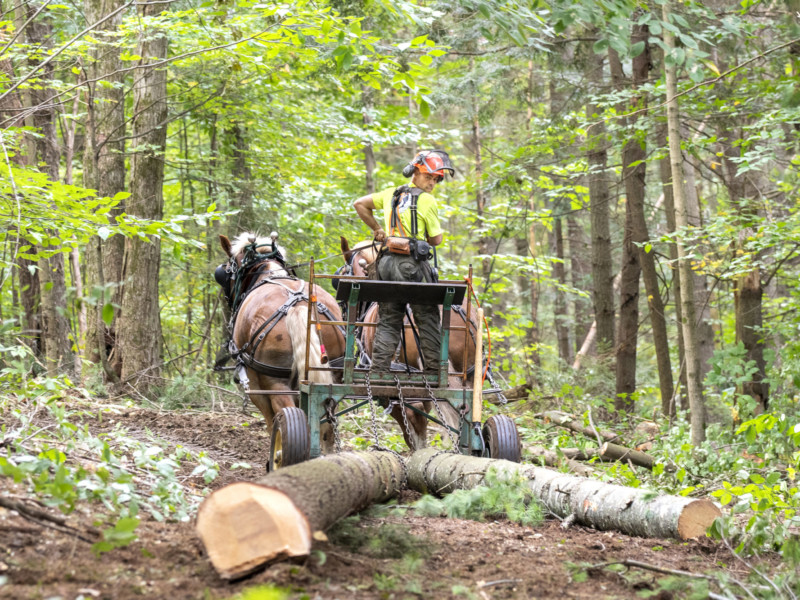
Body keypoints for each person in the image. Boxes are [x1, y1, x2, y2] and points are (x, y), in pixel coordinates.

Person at [353, 149, 455, 375]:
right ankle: (433, 372)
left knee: (389, 317)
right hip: (411, 265)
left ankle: (379, 370)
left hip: (385, 263)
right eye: (428, 177)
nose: (432, 183)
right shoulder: (427, 201)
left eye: (435, 179)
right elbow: (436, 239)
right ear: (415, 173)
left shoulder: (391, 194)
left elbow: (360, 204)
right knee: (427, 315)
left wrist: (378, 229)